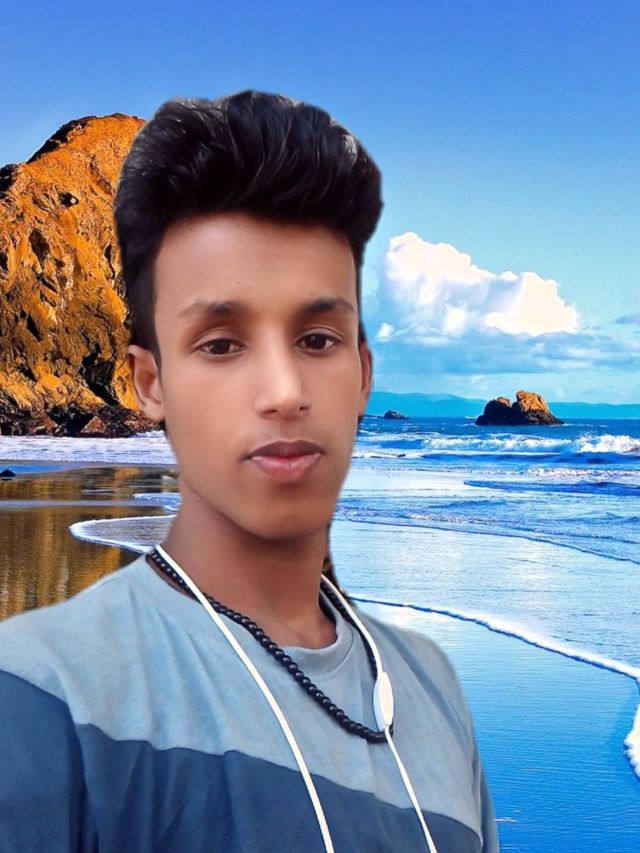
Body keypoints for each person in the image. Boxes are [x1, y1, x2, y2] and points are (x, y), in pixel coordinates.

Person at [0, 90, 499, 852]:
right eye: (223, 343)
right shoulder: (44, 696)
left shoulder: (432, 689)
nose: (284, 392)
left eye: (317, 339)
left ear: (363, 376)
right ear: (150, 383)